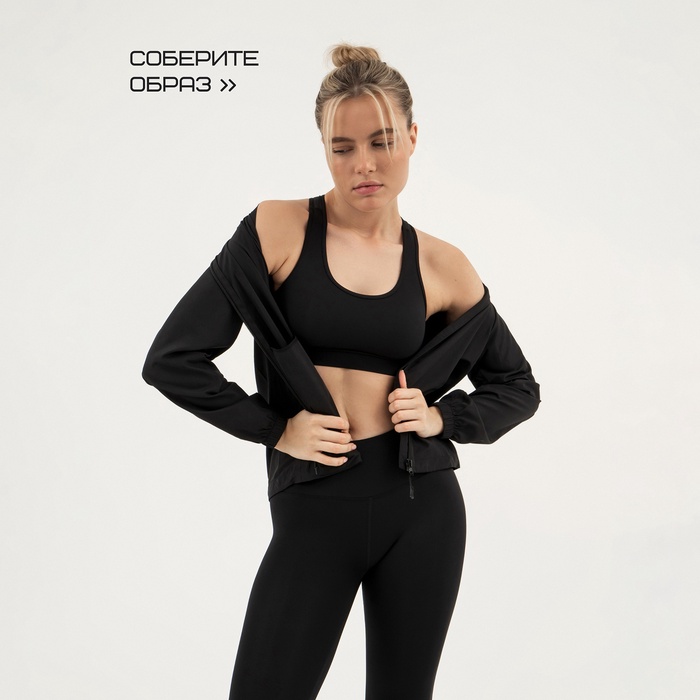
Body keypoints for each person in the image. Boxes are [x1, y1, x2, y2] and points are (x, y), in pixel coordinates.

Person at [142, 43, 540, 700]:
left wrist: (443, 417)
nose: (364, 165)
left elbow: (518, 386)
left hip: (421, 509)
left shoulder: (442, 264)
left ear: (412, 137)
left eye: (382, 142)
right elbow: (172, 360)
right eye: (343, 147)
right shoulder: (279, 229)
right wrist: (276, 429)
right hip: (314, 506)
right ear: (324, 148)